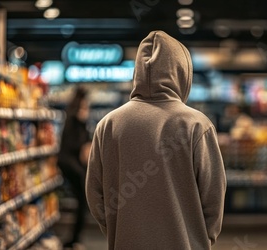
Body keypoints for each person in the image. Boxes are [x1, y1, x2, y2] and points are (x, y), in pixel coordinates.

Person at [86, 30, 227, 249]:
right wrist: (200, 238)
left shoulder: (108, 125)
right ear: (182, 72)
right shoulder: (197, 125)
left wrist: (120, 229)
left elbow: (95, 196)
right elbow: (213, 197)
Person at [57, 87, 92, 249]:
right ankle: (73, 240)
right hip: (71, 165)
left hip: (69, 164)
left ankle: (74, 239)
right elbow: (76, 145)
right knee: (82, 201)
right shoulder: (76, 118)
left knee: (81, 201)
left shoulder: (72, 115)